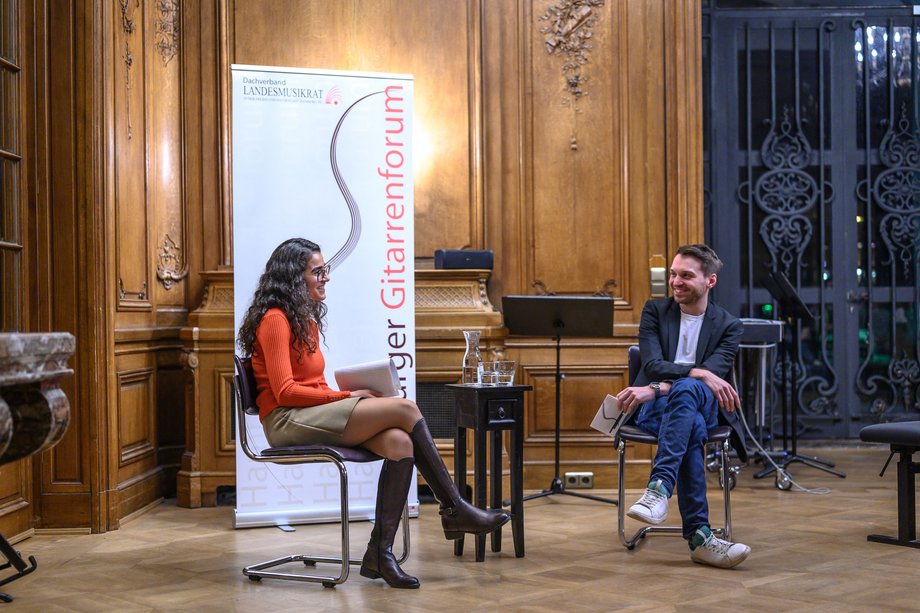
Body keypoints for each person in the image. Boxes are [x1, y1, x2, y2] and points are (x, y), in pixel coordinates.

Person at [237, 238, 510, 589]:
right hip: (286, 421)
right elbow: (285, 392)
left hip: (310, 414)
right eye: (317, 271)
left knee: (399, 443)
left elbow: (312, 383)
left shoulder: (304, 319)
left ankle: (379, 553)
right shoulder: (275, 320)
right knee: (406, 408)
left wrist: (345, 394)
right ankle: (455, 508)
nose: (326, 277)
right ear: (293, 277)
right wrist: (346, 395)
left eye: (325, 270)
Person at [614, 244, 751, 568]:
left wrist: (660, 387)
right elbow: (652, 363)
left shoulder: (728, 325)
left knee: (690, 392)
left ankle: (659, 489)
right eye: (673, 274)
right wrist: (697, 372)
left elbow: (711, 375)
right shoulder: (655, 311)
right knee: (692, 425)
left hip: (692, 402)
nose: (676, 281)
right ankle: (700, 538)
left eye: (686, 276)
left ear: (710, 281)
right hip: (660, 410)